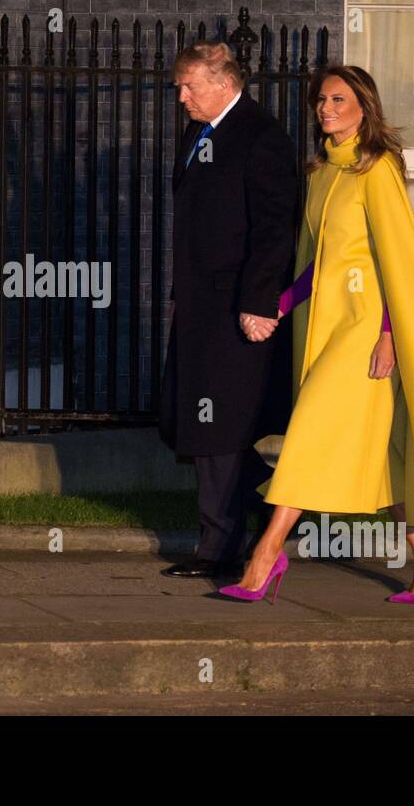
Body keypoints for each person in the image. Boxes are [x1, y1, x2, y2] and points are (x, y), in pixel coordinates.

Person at [217, 64, 414, 604]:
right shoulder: (322, 172)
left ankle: (266, 555)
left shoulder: (379, 169)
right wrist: (275, 305)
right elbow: (317, 264)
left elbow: (400, 260)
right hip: (328, 325)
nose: (326, 108)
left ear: (364, 106)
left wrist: (392, 334)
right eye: (321, 99)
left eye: (338, 99)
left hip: (367, 329)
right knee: (380, 453)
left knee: (310, 431)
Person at [158, 40, 299, 579]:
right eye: (179, 87)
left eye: (190, 87)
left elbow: (273, 229)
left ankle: (218, 549)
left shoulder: (260, 137)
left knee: (217, 431)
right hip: (198, 306)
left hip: (239, 308)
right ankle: (271, 508)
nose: (182, 98)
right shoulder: (200, 132)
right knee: (187, 422)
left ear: (224, 84)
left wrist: (259, 302)